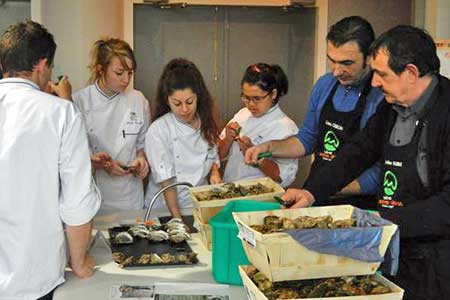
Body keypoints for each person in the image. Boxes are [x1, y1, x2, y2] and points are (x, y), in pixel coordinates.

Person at [282, 25, 450, 300]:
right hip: (393, 250)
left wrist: (383, 220)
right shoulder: (391, 105)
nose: (374, 82)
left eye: (382, 74)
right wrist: (311, 191)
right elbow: (357, 151)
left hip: (437, 264)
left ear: (410, 73)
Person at [0, 20, 100, 299]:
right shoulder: (61, 113)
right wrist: (79, 263)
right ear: (42, 64)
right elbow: (77, 200)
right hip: (33, 278)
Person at [245, 16, 384, 206]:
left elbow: (381, 170)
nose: (336, 71)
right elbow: (307, 139)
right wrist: (268, 148)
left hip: (357, 201)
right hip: (317, 193)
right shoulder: (325, 85)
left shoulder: (382, 97)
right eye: (332, 61)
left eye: (346, 63)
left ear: (370, 57)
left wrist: (327, 187)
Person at [73, 38, 151, 211]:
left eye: (130, 73)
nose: (126, 80)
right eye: (119, 73)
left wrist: (141, 159)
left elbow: (142, 144)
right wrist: (102, 165)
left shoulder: (138, 100)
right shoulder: (80, 101)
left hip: (130, 194)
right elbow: (73, 156)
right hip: (95, 194)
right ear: (101, 70)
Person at [145, 58, 221, 220]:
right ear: (167, 100)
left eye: (189, 102)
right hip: (165, 208)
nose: (185, 109)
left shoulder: (206, 122)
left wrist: (215, 172)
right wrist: (177, 219)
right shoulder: (159, 130)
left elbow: (212, 155)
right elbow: (166, 180)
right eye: (177, 103)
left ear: (198, 96)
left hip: (198, 202)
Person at [218, 63, 298, 187]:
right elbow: (218, 155)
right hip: (231, 188)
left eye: (257, 98)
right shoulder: (242, 115)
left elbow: (283, 178)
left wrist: (256, 156)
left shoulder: (286, 127)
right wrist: (228, 138)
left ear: (273, 94)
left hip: (261, 197)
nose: (251, 104)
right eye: (246, 98)